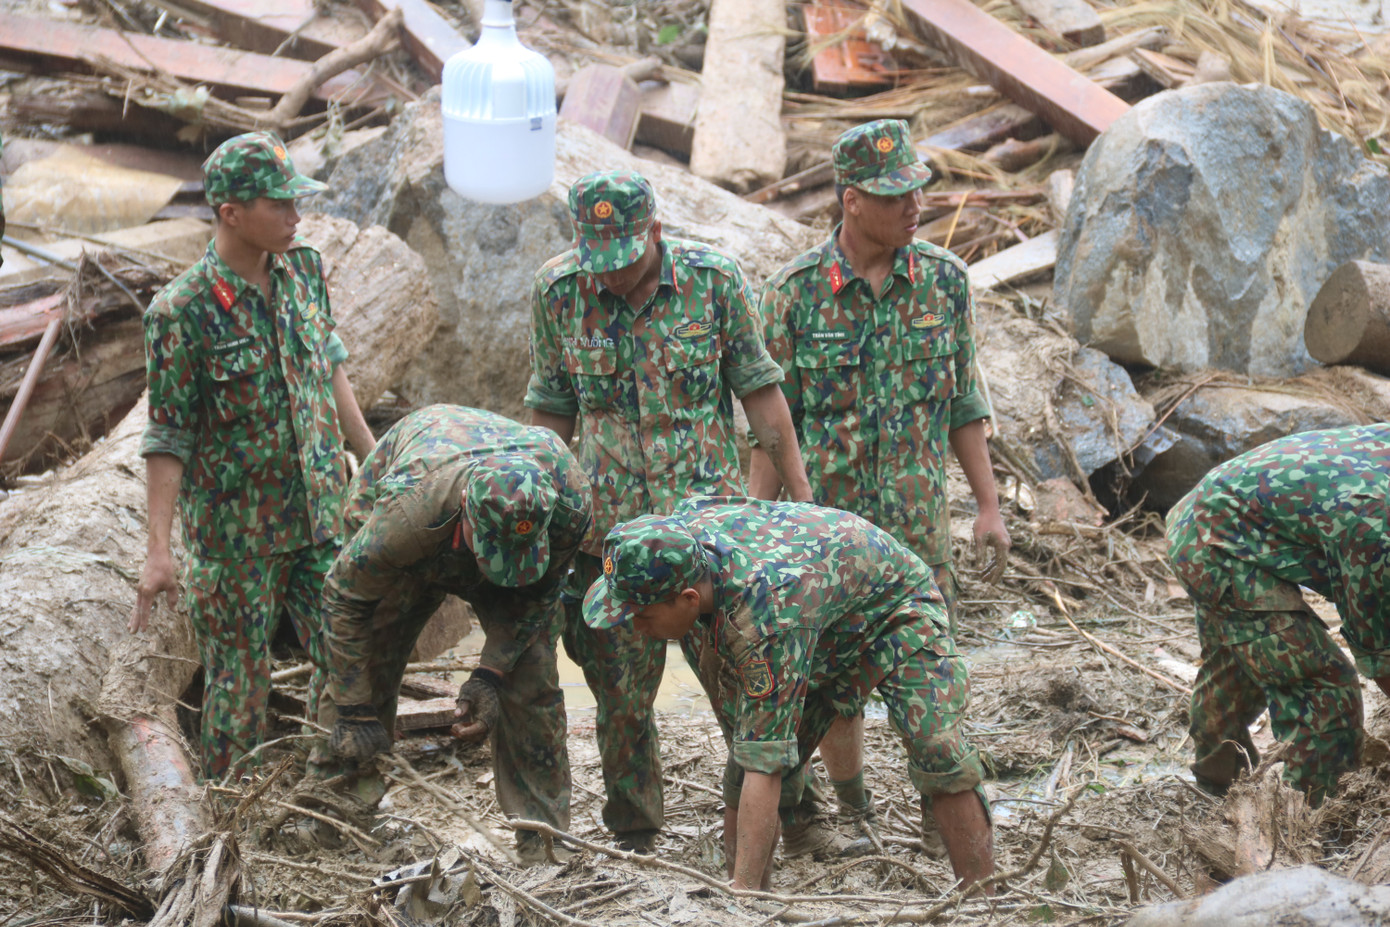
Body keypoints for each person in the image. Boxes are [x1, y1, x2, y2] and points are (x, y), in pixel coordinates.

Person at [526, 170, 814, 853]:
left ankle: (794, 816)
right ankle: (635, 829)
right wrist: (539, 511)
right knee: (620, 699)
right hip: (612, 541)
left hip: (707, 536)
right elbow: (550, 412)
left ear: (655, 231)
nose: (613, 278)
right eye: (599, 261)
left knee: (746, 686)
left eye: (625, 259)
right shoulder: (560, 292)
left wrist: (798, 501)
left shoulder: (713, 281)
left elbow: (762, 396)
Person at [749, 119, 1010, 843]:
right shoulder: (795, 294)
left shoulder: (945, 284)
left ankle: (943, 812)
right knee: (831, 685)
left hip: (919, 530)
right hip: (828, 535)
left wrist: (987, 506)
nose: (915, 206)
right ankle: (853, 806)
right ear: (851, 200)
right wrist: (756, 526)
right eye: (896, 195)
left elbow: (964, 404)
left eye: (918, 190)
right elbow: (775, 424)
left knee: (931, 677)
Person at [583, 496, 995, 892]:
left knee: (938, 748)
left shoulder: (766, 619)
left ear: (689, 599)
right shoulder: (680, 539)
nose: (635, 628)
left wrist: (741, 895)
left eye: (641, 615)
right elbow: (750, 756)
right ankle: (750, 894)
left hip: (894, 607)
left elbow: (766, 766)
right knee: (749, 755)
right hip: (819, 614)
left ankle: (982, 903)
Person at [129, 130, 374, 780]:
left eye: (297, 201)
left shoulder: (305, 271)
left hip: (321, 518)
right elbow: (168, 435)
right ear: (231, 213)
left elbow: (332, 367)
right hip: (235, 541)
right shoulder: (181, 312)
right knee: (237, 692)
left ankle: (341, 800)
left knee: (355, 662)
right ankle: (233, 829)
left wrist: (374, 463)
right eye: (279, 205)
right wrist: (159, 548)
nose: (296, 216)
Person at [320, 404, 590, 863]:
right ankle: (335, 813)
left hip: (481, 521)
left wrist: (489, 675)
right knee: (368, 657)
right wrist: (353, 707)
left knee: (534, 673)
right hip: (415, 504)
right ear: (467, 515)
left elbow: (538, 596)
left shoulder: (569, 502)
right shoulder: (406, 516)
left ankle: (542, 838)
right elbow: (344, 597)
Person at [1167, 423, 1390, 804]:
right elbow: (1379, 651)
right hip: (1217, 542)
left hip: (1222, 508)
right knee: (1322, 685)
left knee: (1240, 660)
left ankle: (1216, 783)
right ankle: (1316, 821)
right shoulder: (1375, 527)